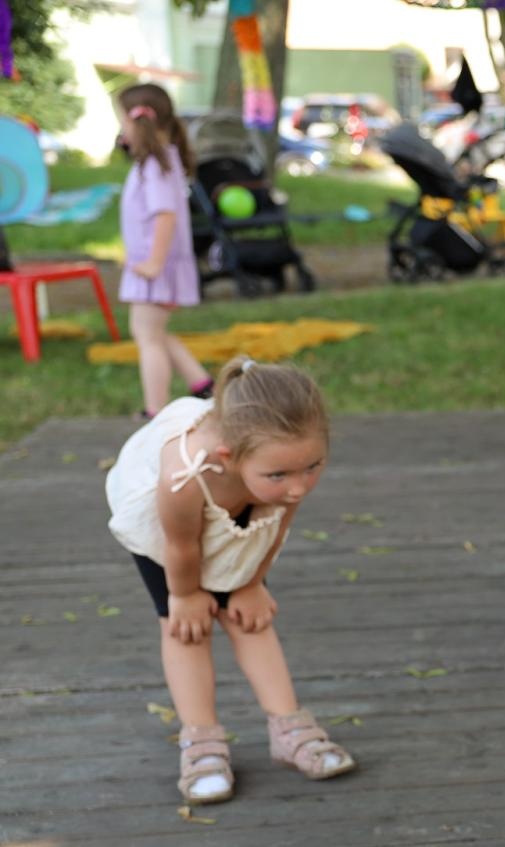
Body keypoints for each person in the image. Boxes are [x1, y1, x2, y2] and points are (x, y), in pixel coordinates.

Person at [105, 356, 357, 804]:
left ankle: (288, 726)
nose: (299, 487)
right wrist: (184, 595)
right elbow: (181, 547)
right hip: (166, 531)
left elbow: (276, 523)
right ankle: (201, 740)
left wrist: (250, 583)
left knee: (248, 617)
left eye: (313, 467)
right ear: (229, 455)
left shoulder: (284, 467)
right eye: (280, 474)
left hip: (239, 502)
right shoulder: (182, 477)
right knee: (187, 629)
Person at [116, 84, 213, 421]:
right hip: (152, 265)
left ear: (136, 121)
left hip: (153, 266)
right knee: (153, 332)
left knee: (147, 337)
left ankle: (154, 410)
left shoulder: (156, 164)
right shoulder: (159, 160)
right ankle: (202, 384)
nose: (121, 130)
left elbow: (165, 215)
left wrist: (154, 262)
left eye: (122, 121)